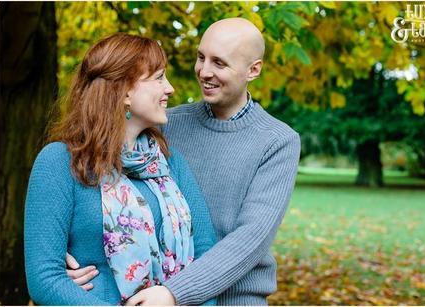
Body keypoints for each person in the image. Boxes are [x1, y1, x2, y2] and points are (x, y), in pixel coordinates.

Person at [68, 17, 301, 305]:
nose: (204, 71)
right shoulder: (166, 123)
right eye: (201, 57)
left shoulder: (278, 141)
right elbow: (107, 197)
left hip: (233, 298)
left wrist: (176, 292)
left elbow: (250, 239)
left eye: (219, 63)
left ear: (253, 70)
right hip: (155, 294)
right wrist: (68, 260)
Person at [24, 33, 217, 305]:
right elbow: (44, 279)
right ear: (125, 91)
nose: (170, 88)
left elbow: (205, 256)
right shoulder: (59, 162)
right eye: (159, 77)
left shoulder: (170, 163)